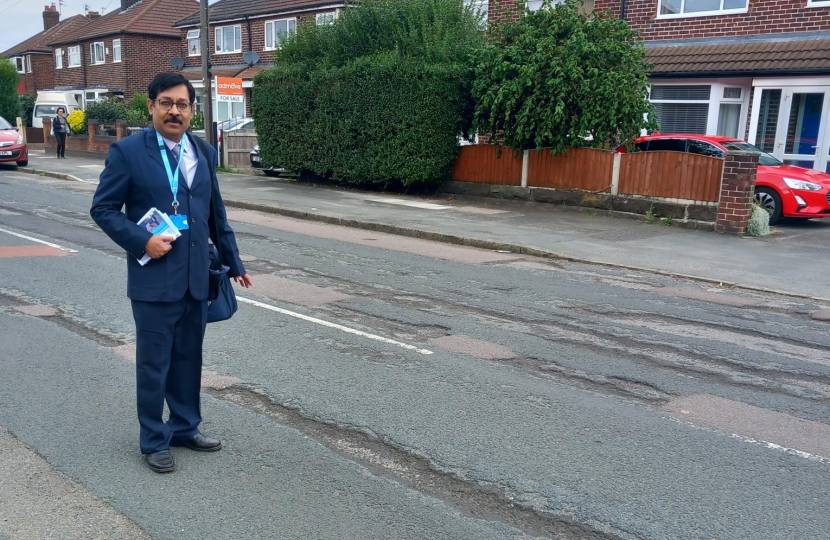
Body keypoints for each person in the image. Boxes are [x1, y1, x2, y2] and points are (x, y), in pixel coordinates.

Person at [90, 72, 253, 474]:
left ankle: (184, 427)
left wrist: (233, 263)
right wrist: (141, 241)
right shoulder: (127, 152)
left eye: (182, 104)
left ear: (192, 110)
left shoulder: (202, 152)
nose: (174, 111)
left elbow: (214, 213)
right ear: (151, 106)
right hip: (154, 280)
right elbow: (103, 209)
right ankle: (153, 439)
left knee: (187, 359)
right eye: (166, 103)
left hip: (197, 277)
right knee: (153, 364)